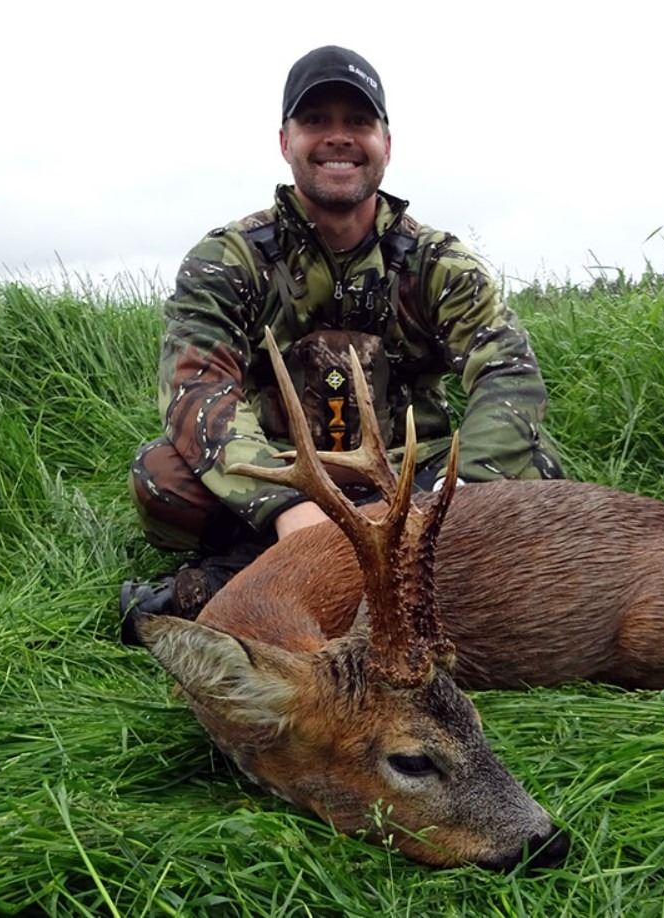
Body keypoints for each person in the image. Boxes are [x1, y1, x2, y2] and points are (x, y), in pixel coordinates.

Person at [120, 45, 563, 623]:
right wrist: (285, 505)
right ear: (286, 141)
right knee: (161, 477)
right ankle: (316, 559)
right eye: (316, 121)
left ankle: (238, 576)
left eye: (358, 121)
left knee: (538, 467)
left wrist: (448, 503)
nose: (338, 138)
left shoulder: (438, 262)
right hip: (282, 467)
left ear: (386, 144)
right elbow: (197, 389)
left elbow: (508, 376)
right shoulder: (229, 258)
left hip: (410, 475)